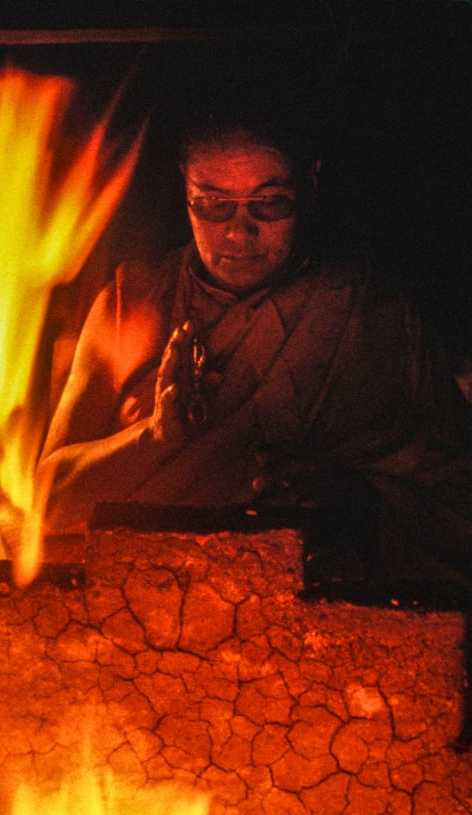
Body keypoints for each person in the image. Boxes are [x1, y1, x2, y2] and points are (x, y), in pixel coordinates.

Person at [36, 97, 472, 595]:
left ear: (308, 186)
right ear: (185, 190)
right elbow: (47, 504)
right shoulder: (133, 301)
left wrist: (349, 500)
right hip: (136, 610)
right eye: (214, 204)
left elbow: (455, 506)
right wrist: (154, 439)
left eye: (269, 203)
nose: (239, 231)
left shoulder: (367, 313)